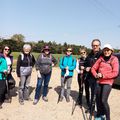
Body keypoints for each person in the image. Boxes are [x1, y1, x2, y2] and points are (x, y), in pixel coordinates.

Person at [91, 44, 119, 120]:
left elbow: (115, 73)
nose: (106, 52)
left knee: (103, 100)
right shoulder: (101, 58)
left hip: (108, 82)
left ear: (111, 51)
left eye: (108, 50)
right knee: (98, 100)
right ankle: (100, 114)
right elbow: (93, 68)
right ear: (103, 51)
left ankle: (108, 118)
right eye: (105, 50)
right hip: (99, 81)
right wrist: (96, 75)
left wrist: (103, 75)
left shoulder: (114, 59)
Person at [85, 39, 102, 112]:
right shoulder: (90, 54)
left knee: (98, 95)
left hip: (99, 78)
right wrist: (86, 68)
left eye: (96, 45)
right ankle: (91, 108)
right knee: (93, 94)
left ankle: (99, 111)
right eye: (93, 45)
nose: (95, 47)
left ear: (99, 46)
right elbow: (85, 63)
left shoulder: (102, 54)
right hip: (90, 77)